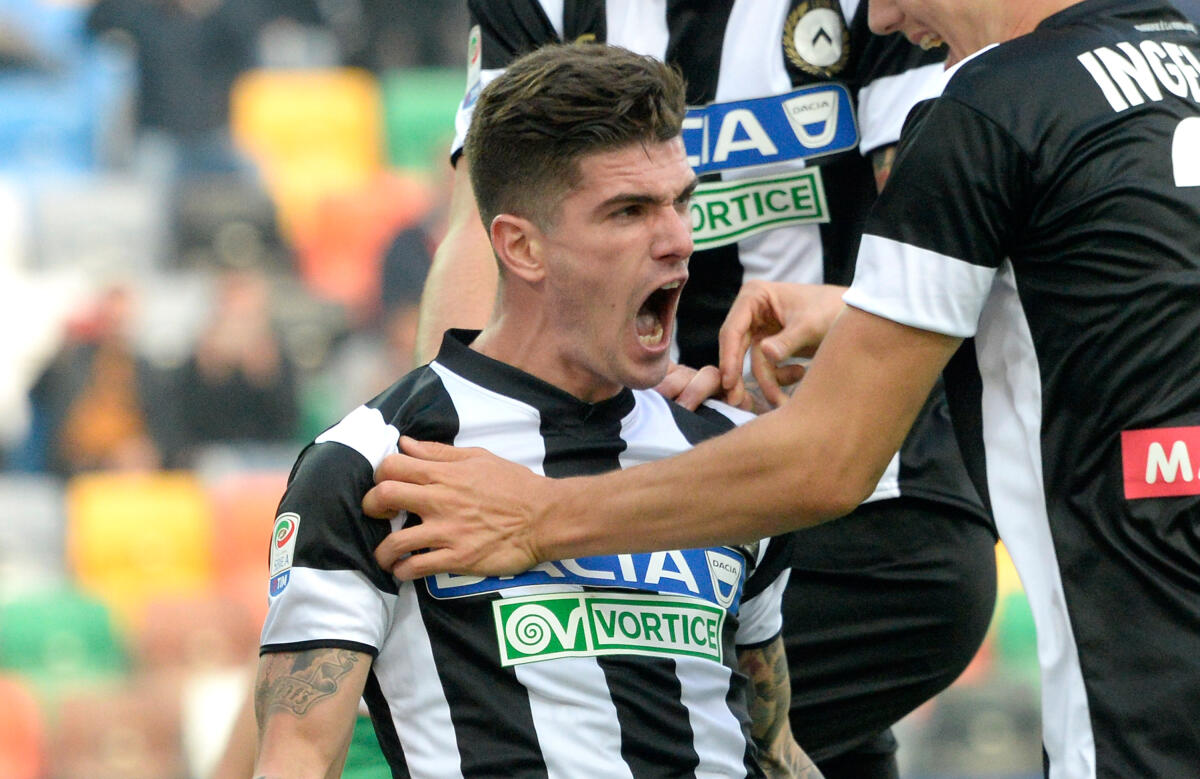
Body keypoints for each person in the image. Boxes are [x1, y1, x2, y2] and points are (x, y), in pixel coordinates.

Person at [364, 1, 1200, 777]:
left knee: (593, 723)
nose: (880, 17)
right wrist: (859, 309)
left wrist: (534, 515)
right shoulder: (1177, 59)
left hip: (1076, 654)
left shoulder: (986, 107)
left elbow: (828, 460)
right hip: (1140, 618)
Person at [414, 2, 995, 775]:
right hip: (630, 475)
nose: (677, 236)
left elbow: (940, 229)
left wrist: (836, 316)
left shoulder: (872, 11)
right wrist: (459, 439)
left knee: (599, 727)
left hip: (867, 502)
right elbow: (486, 224)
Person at [254, 43, 817, 778]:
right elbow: (296, 757)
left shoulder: (730, 455)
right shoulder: (374, 465)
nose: (681, 238)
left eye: (682, 200)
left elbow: (773, 746)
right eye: (629, 211)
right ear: (520, 246)